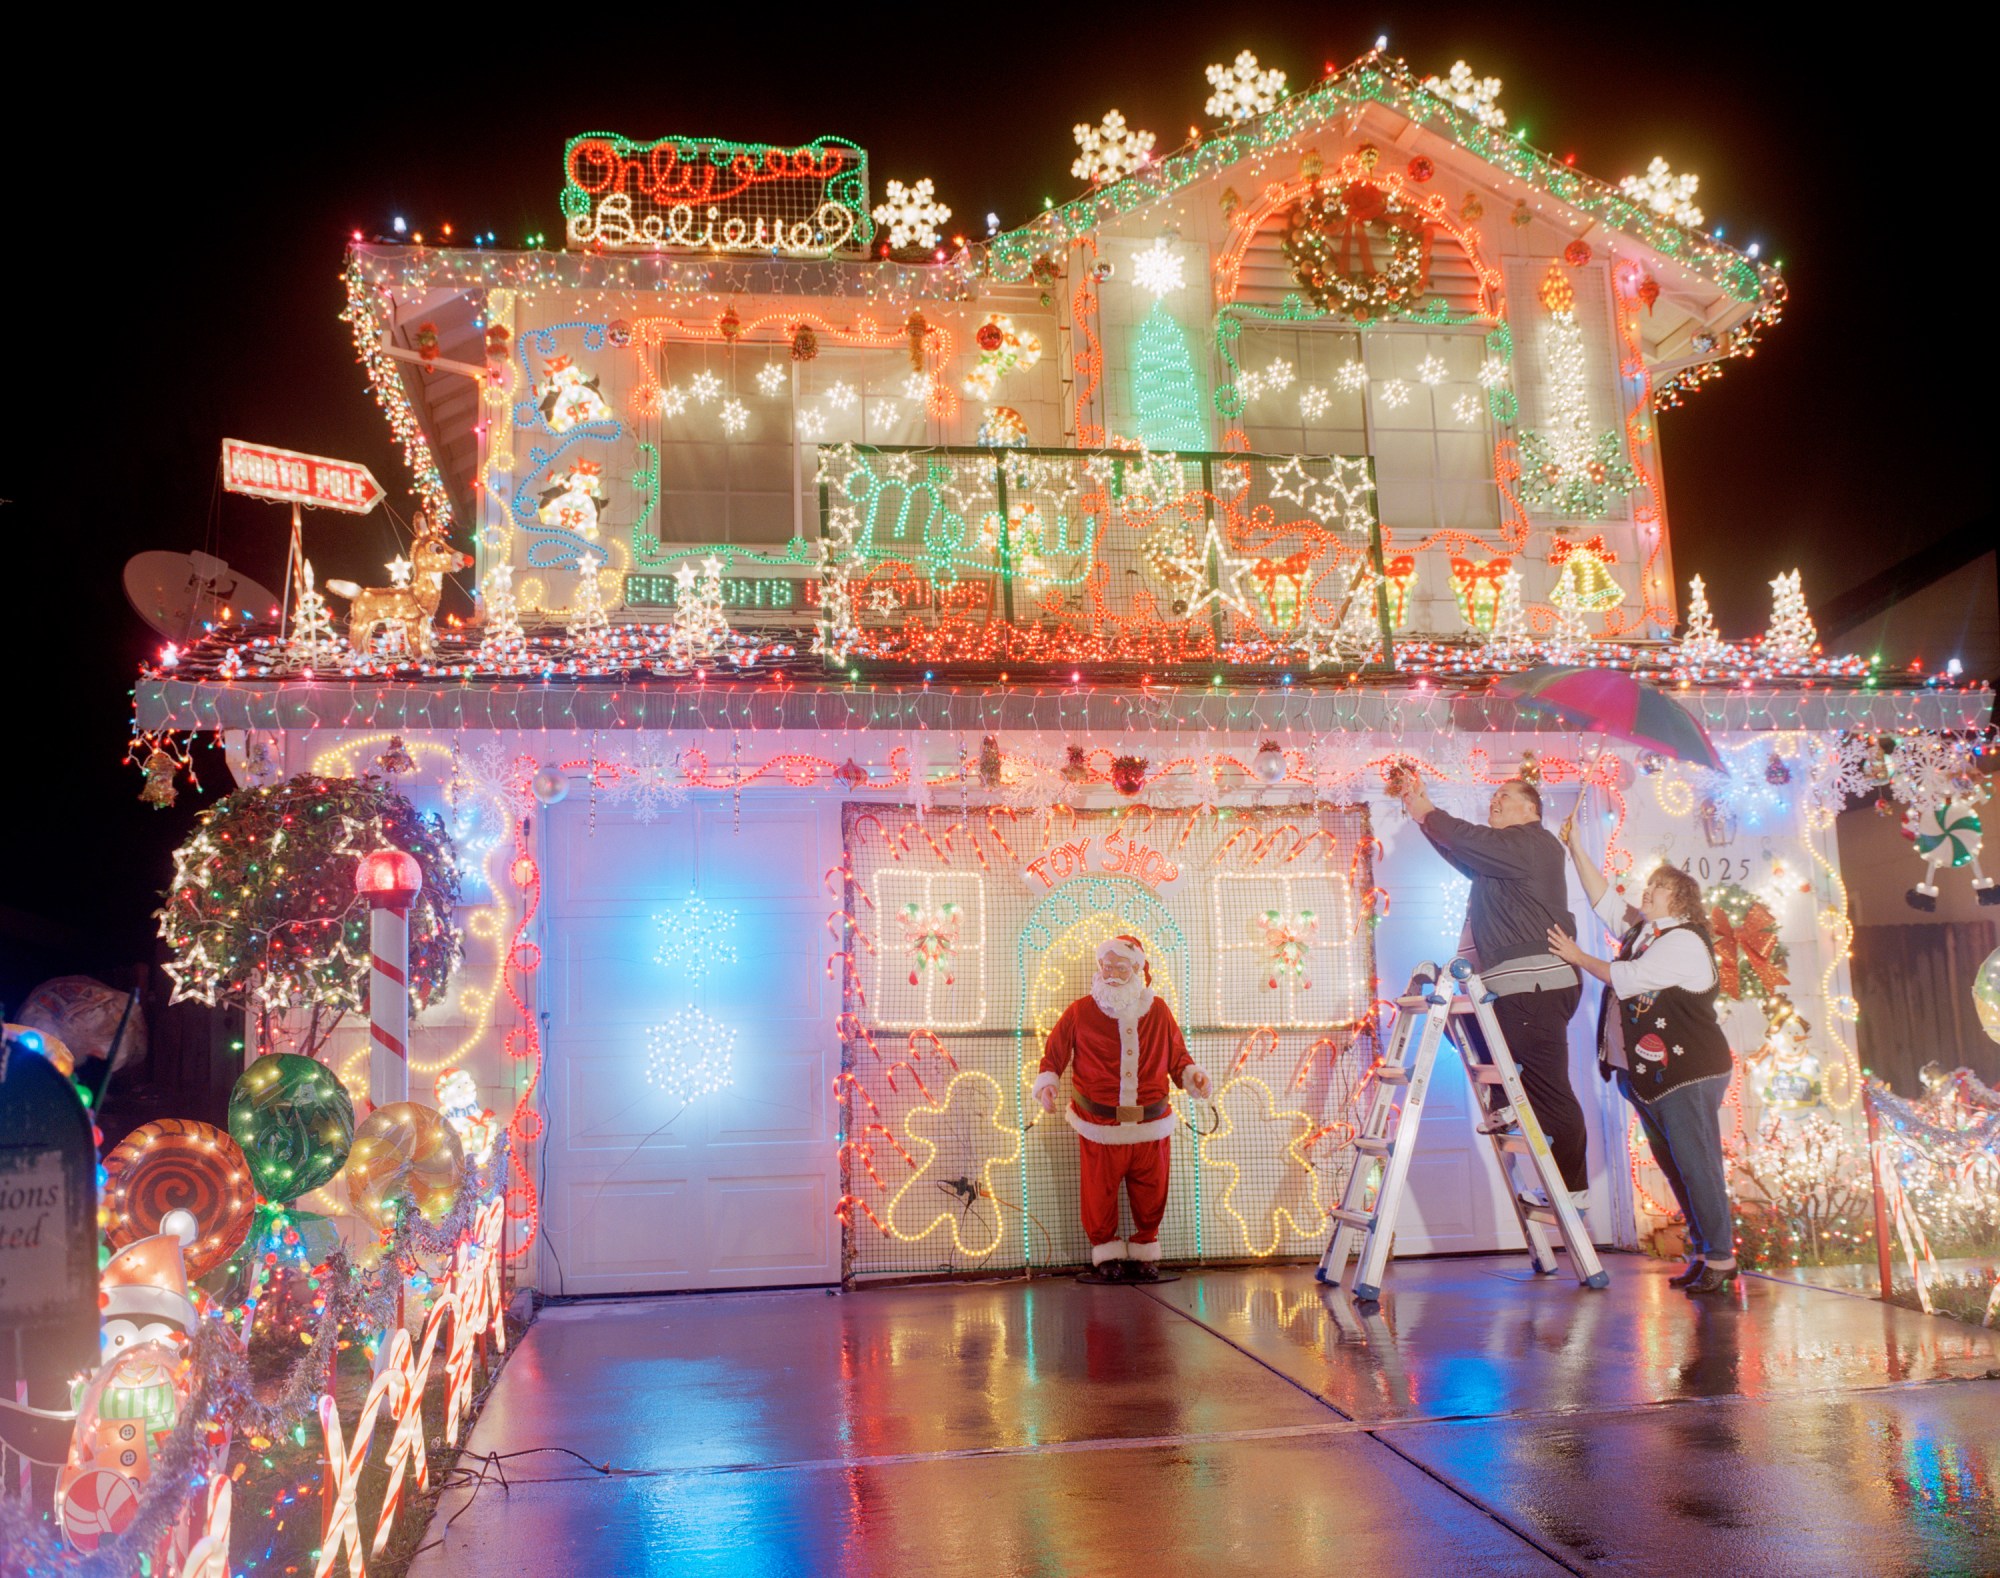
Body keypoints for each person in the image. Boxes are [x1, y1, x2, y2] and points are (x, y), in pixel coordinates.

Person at [1547, 820, 1739, 1295]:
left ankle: (1722, 1259)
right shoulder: (1645, 932)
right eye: (1650, 885)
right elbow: (1604, 901)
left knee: (1698, 1166)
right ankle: (1703, 1252)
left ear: (1680, 900)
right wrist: (1573, 843)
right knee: (1676, 1167)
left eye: (1658, 887)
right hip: (1651, 1076)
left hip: (1688, 1073)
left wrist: (1576, 955)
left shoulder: (1684, 940)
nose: (1647, 891)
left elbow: (1626, 978)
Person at [1390, 766, 1588, 1209]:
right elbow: (1460, 852)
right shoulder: (1503, 861)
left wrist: (1429, 811)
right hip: (1511, 989)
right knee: (1459, 1023)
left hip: (1534, 986)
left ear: (1531, 808)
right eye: (1492, 796)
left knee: (1550, 1090)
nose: (1493, 801)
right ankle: (1502, 1100)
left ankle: (1572, 1190)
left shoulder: (1533, 843)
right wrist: (1422, 816)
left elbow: (1470, 841)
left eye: (1503, 795)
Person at [1033, 936, 1213, 1282]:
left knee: (1152, 1190)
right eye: (1106, 965)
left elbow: (1178, 1057)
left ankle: (1145, 1250)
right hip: (1098, 1125)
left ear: (1137, 969)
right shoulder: (1079, 1011)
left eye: (1120, 966)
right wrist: (1048, 1083)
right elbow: (1054, 1051)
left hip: (1152, 1124)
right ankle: (1107, 1254)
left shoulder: (1158, 1010)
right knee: (1098, 1193)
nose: (1112, 973)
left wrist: (1194, 1076)